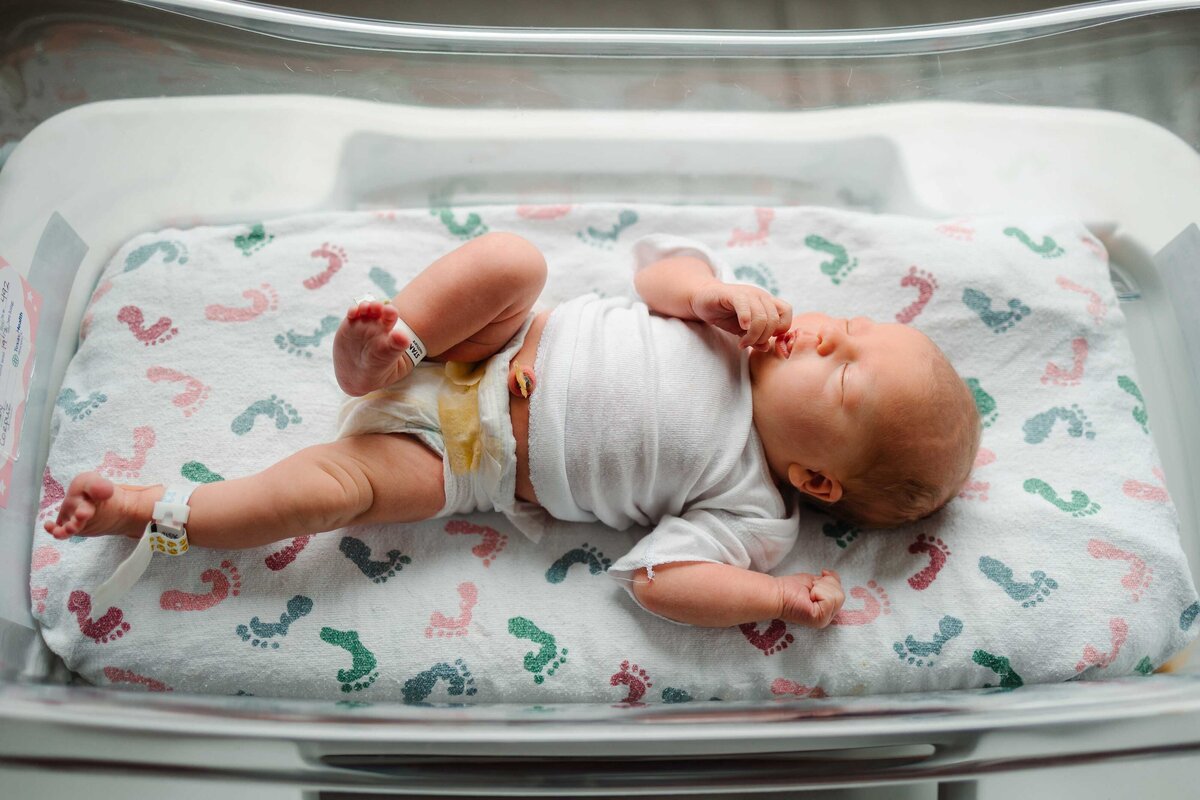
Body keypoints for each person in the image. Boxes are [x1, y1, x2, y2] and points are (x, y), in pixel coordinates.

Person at [46, 231, 981, 629]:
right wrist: (705, 291)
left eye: (845, 371)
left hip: (463, 462)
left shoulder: (758, 513)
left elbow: (660, 583)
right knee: (512, 261)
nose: (826, 334)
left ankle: (151, 509)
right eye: (852, 327)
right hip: (487, 344)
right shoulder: (735, 324)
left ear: (817, 479)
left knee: (330, 498)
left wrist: (772, 601)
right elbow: (659, 269)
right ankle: (386, 350)